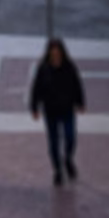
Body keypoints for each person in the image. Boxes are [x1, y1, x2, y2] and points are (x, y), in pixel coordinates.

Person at [30, 39, 85, 186]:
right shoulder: (43, 68)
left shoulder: (69, 67)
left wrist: (80, 102)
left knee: (70, 137)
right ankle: (58, 170)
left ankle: (68, 159)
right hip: (51, 111)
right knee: (53, 142)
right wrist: (34, 107)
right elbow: (36, 88)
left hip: (67, 109)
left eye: (57, 53)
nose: (55, 56)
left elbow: (77, 84)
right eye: (53, 53)